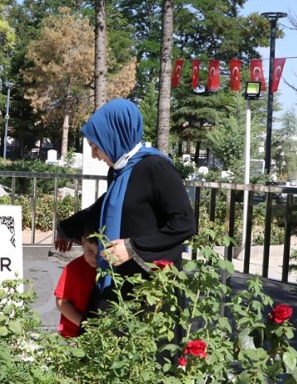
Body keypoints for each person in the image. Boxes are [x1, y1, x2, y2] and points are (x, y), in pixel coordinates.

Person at [55, 98, 196, 315]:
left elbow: (184, 223)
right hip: (117, 278)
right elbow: (105, 206)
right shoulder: (120, 171)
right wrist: (67, 229)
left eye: (95, 147)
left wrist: (132, 247)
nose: (94, 155)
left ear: (114, 137)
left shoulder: (155, 167)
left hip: (148, 286)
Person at [54, 232, 99, 338]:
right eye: (90, 251)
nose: (95, 257)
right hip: (73, 332)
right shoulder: (72, 269)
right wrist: (85, 325)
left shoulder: (111, 269)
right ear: (83, 243)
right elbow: (61, 302)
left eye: (100, 252)